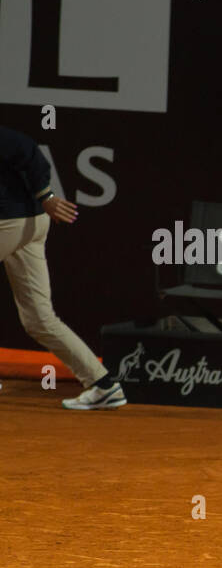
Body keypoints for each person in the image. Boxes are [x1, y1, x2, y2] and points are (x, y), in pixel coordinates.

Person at [0, 125, 126, 409]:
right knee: (39, 319)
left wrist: (47, 196)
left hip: (10, 222)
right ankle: (104, 385)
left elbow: (29, 151)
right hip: (29, 224)